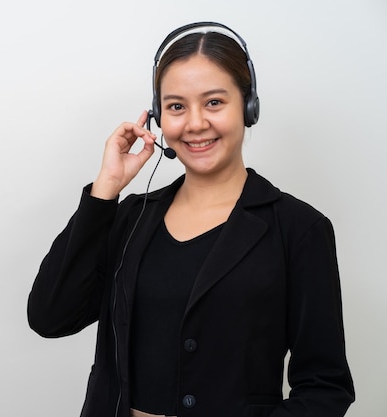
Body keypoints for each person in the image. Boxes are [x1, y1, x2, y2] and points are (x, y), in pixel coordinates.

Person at [27, 22, 354, 417]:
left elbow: (325, 387)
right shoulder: (131, 217)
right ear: (159, 118)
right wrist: (106, 189)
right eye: (177, 106)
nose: (195, 123)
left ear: (248, 106)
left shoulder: (299, 230)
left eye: (214, 102)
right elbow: (50, 317)